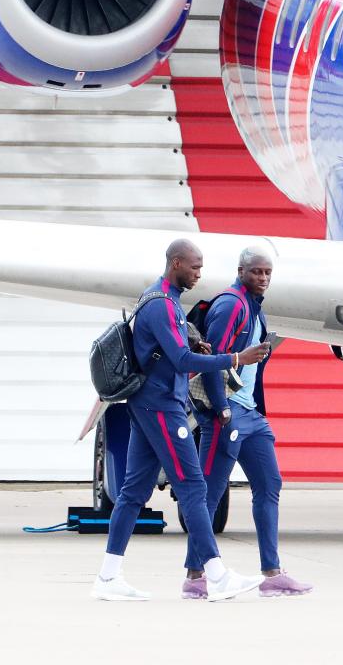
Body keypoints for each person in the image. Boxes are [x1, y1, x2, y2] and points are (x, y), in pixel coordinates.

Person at [92, 239, 271, 603]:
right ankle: (217, 576)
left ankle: (108, 578)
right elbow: (181, 360)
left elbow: (175, 351)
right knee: (192, 486)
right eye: (194, 267)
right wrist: (236, 358)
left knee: (133, 493)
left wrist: (197, 345)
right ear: (176, 264)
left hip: (150, 404)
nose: (199, 274)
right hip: (161, 406)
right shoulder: (161, 304)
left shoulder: (163, 299)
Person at [182, 246, 313, 599]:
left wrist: (254, 407)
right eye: (256, 272)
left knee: (269, 485)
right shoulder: (230, 305)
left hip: (251, 415)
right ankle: (196, 578)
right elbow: (213, 359)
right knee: (209, 494)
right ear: (241, 271)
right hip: (227, 415)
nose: (263, 278)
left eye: (268, 272)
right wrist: (221, 408)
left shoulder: (256, 310)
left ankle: (272, 574)